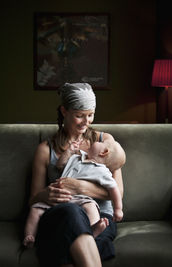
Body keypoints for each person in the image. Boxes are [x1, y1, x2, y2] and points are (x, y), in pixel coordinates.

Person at [28, 82, 124, 267]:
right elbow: (33, 199)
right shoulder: (45, 149)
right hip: (61, 212)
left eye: (90, 115)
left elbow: (117, 192)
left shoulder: (106, 143)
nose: (86, 122)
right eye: (79, 116)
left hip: (99, 215)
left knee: (63, 245)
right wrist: (44, 194)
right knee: (72, 213)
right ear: (64, 111)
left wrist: (80, 187)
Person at [23, 139, 126, 248]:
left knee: (91, 207)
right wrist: (69, 152)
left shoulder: (102, 171)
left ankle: (93, 229)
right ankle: (30, 236)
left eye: (100, 143)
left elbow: (114, 189)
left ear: (103, 152)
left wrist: (118, 209)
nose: (96, 142)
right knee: (35, 209)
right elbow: (59, 165)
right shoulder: (78, 156)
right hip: (59, 197)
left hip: (81, 199)